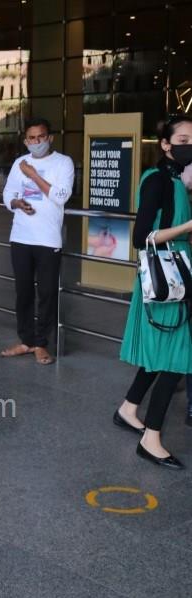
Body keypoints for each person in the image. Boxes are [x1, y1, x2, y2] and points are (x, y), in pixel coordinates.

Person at [115, 116, 192, 469]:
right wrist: (188, 227)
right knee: (177, 359)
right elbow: (141, 237)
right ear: (165, 144)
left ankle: (129, 408)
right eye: (183, 139)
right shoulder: (157, 179)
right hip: (166, 279)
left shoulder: (176, 180)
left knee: (164, 353)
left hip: (176, 276)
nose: (189, 145)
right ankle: (151, 439)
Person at [0, 118, 75, 364]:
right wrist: (16, 203)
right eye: (31, 138)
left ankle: (41, 344)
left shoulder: (63, 163)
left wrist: (33, 174)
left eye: (41, 137)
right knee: (23, 292)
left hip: (48, 239)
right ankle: (26, 341)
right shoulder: (19, 163)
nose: (36, 142)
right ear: (26, 141)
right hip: (21, 236)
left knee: (47, 293)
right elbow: (8, 193)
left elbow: (61, 196)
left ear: (50, 138)